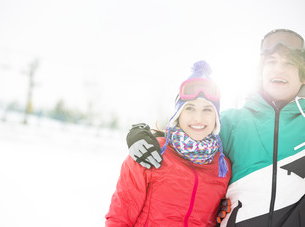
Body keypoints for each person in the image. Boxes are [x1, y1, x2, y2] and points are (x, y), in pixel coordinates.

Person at [125, 29, 305, 227]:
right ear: (259, 74)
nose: (279, 69)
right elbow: (184, 139)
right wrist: (142, 134)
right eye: (271, 62)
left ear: (302, 77)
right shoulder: (231, 122)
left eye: (289, 63)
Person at [105, 61, 232, 226]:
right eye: (190, 108)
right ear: (178, 114)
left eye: (207, 109)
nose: (198, 118)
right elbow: (119, 218)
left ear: (216, 118)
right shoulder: (149, 152)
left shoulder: (223, 168)